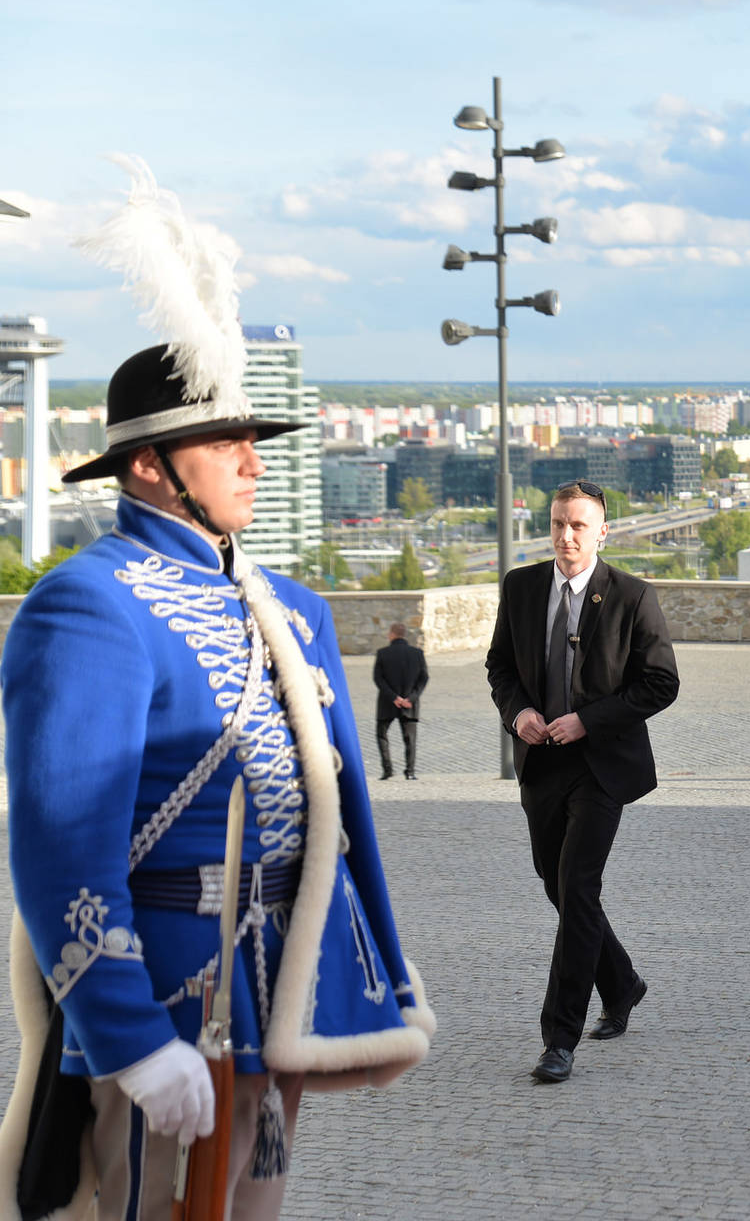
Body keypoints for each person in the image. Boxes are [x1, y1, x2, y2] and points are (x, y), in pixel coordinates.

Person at [0, 158, 432, 1221]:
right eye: (225, 440)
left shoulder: (292, 606)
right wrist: (130, 1033)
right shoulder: (86, 603)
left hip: (276, 980)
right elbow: (62, 839)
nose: (254, 459)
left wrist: (356, 982)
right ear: (149, 466)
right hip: (161, 983)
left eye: (252, 438)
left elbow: (342, 822)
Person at [485, 479, 679, 1084]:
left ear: (602, 532)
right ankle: (621, 984)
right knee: (563, 890)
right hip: (541, 764)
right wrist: (519, 714)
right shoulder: (520, 588)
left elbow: (660, 683)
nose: (566, 536)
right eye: (558, 524)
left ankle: (559, 1039)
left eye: (578, 526)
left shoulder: (631, 596)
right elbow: (500, 667)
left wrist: (586, 722)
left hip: (601, 767)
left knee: (576, 883)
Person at [373, 621, 429, 780]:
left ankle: (387, 769)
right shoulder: (417, 653)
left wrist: (394, 697)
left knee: (382, 735)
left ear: (392, 634)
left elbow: (378, 679)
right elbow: (423, 678)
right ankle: (410, 771)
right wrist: (410, 698)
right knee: (410, 738)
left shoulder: (382, 653)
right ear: (404, 635)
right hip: (409, 703)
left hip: (387, 702)